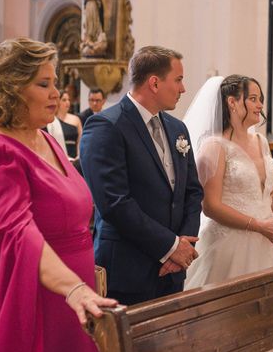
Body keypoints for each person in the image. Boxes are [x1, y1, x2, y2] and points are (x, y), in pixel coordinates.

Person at [0, 38, 117, 352]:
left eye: (55, 83)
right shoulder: (4, 150)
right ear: (12, 89)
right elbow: (19, 231)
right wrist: (74, 288)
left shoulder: (48, 139)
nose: (56, 93)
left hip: (78, 295)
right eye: (43, 84)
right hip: (41, 294)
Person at [183, 75, 273, 352]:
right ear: (232, 102)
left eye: (261, 98)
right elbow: (210, 206)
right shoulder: (214, 146)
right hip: (230, 244)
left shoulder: (260, 141)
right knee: (230, 321)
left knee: (266, 319)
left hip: (266, 242)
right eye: (253, 98)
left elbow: (271, 189)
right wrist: (258, 225)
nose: (260, 104)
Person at [80, 46, 203, 305]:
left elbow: (192, 191)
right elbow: (114, 203)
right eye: (178, 80)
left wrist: (184, 244)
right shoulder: (106, 126)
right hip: (128, 269)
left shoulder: (177, 128)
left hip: (173, 271)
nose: (183, 89)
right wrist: (170, 247)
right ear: (154, 83)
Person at [55, 90, 82, 159]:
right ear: (57, 102)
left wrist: (78, 156)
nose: (67, 102)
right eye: (64, 100)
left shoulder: (76, 119)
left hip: (75, 157)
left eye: (68, 100)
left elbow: (80, 140)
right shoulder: (52, 121)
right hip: (59, 156)